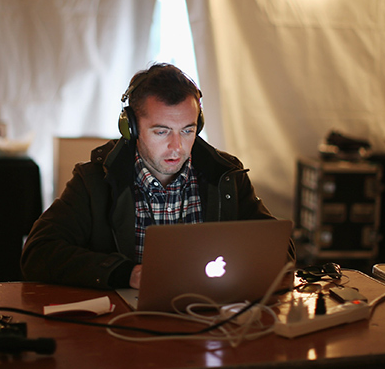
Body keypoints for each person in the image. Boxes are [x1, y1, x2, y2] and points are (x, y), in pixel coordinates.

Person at [21, 63, 274, 290]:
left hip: (212, 315)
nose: (177, 146)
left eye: (188, 130)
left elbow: (280, 250)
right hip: (124, 324)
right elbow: (38, 253)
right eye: (162, 132)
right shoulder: (94, 181)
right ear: (131, 128)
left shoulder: (226, 176)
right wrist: (126, 274)